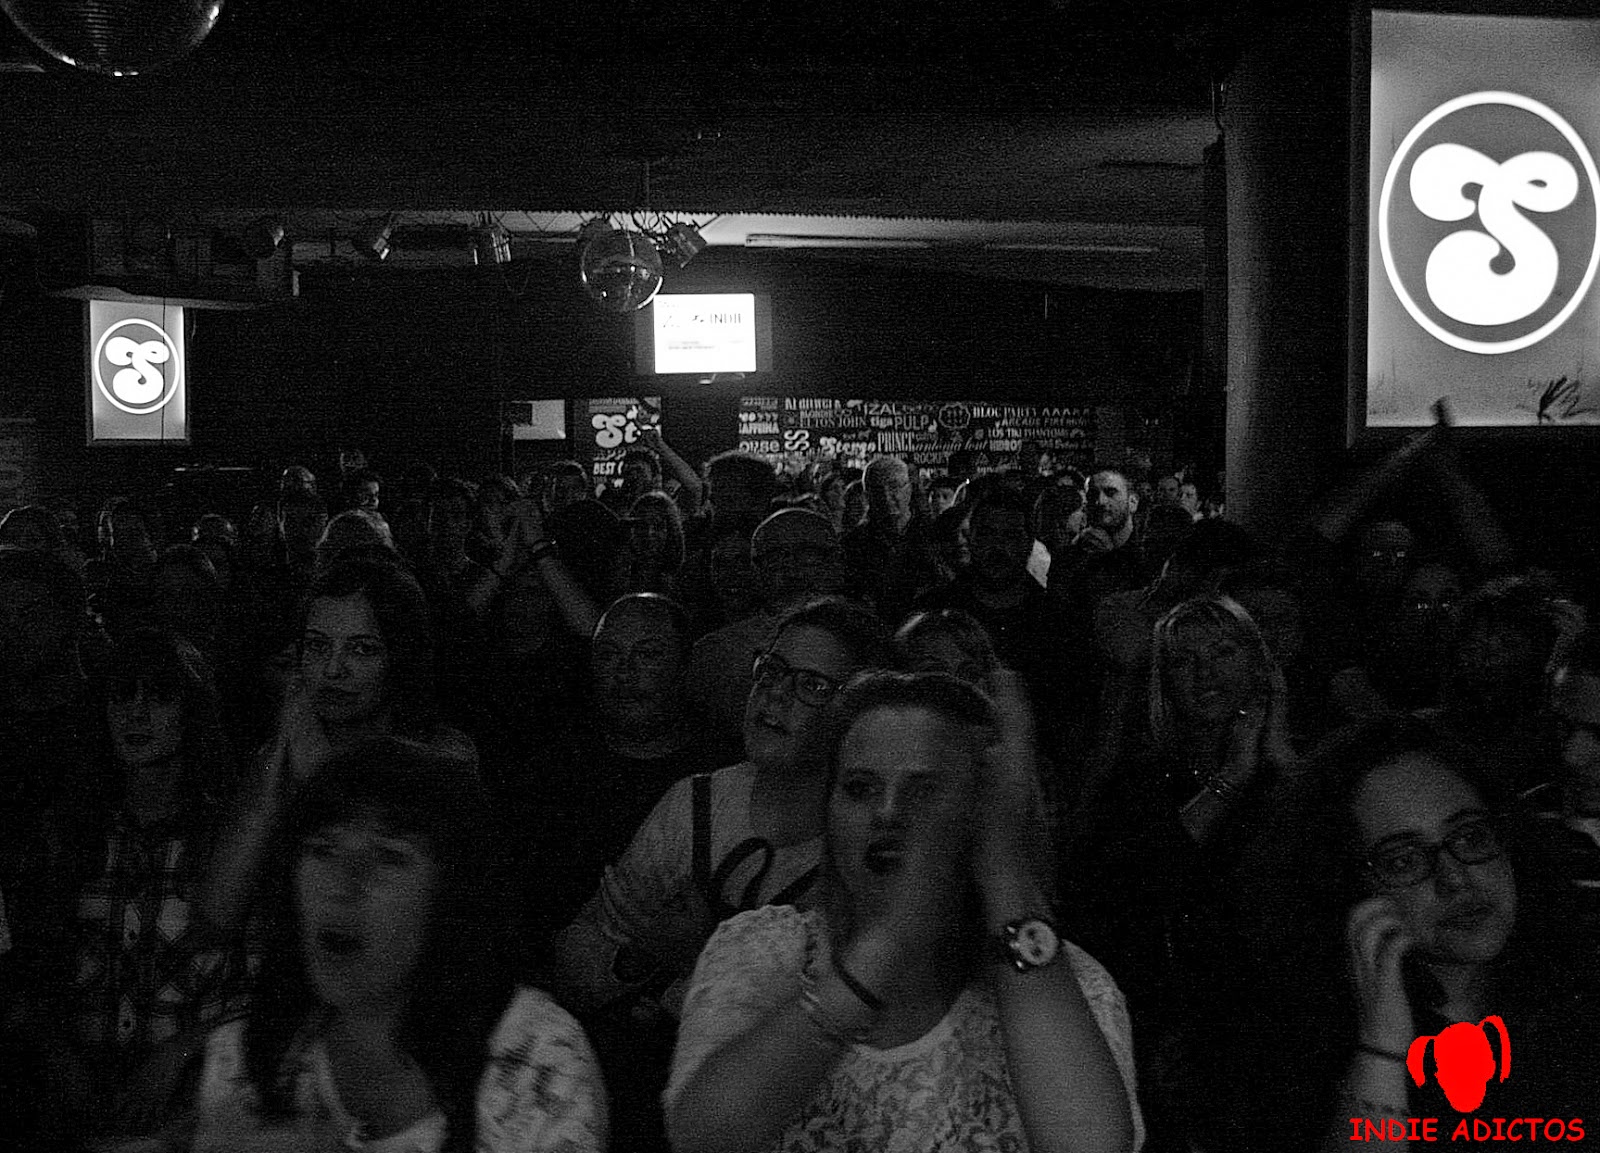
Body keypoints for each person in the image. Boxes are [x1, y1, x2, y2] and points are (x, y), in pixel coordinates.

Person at [664, 670, 1142, 1153]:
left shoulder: (1071, 983)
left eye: (923, 790)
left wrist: (1001, 865)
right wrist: (891, 936)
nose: (887, 812)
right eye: (860, 788)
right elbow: (703, 1139)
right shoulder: (764, 947)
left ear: (981, 811)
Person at [190, 736, 607, 1152]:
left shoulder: (534, 1056)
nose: (343, 883)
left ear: (450, 895)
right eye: (324, 849)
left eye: (389, 856)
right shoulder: (245, 1061)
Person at [200, 556, 473, 940]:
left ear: (400, 657)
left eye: (361, 649)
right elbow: (217, 915)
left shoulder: (443, 755)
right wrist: (282, 747)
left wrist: (318, 771)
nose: (332, 669)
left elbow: (419, 921)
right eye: (317, 646)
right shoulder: (281, 753)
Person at [65, 630, 251, 1138]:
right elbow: (40, 975)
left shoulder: (224, 841)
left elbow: (255, 991)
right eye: (123, 695)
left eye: (160, 696)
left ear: (191, 712)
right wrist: (62, 1064)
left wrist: (178, 1053)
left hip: (192, 1099)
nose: (136, 713)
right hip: (80, 1095)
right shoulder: (77, 834)